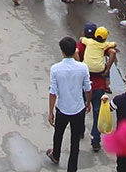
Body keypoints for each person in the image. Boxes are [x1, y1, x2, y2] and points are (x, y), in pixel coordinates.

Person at [46, 36, 92, 172]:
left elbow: (53, 92)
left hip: (62, 108)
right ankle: (72, 168)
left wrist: (50, 112)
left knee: (58, 133)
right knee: (75, 140)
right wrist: (88, 103)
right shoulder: (83, 68)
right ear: (74, 51)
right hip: (78, 108)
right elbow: (88, 89)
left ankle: (56, 155)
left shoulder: (55, 69)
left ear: (62, 51)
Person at [81, 26, 117, 92]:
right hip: (99, 70)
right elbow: (115, 44)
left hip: (86, 68)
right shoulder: (105, 45)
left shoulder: (89, 42)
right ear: (105, 38)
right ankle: (107, 86)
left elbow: (81, 39)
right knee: (106, 67)